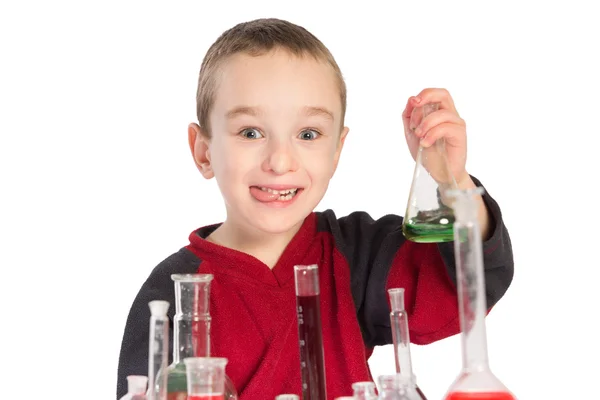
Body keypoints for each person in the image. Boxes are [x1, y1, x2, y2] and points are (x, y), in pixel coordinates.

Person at [116, 18, 514, 399]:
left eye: (308, 134)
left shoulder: (358, 254)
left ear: (337, 150)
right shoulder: (171, 290)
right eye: (250, 132)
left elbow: (464, 287)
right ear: (203, 151)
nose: (280, 160)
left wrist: (450, 182)